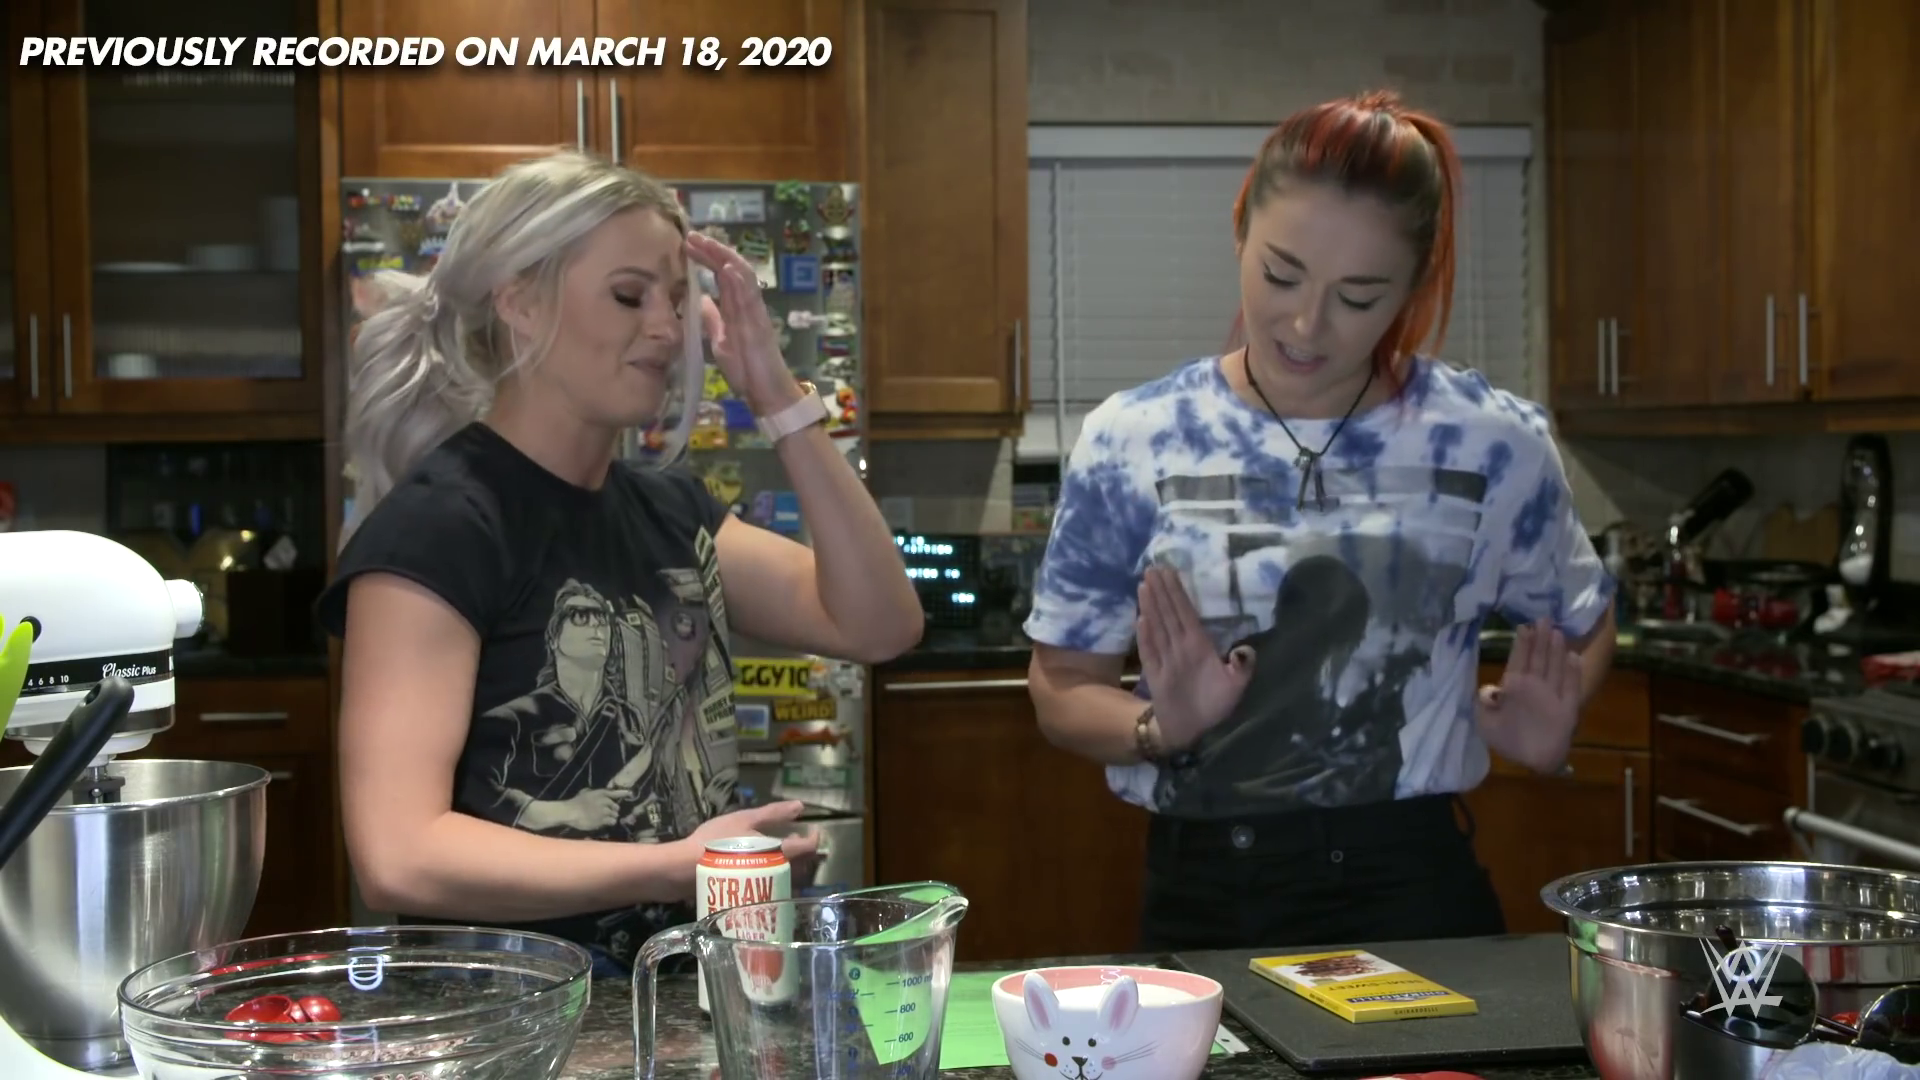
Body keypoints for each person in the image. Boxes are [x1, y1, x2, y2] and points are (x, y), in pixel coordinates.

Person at [1023, 91, 1616, 952]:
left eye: (1359, 296)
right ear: (1240, 232)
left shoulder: (1494, 442)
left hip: (1412, 888)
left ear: (1414, 284)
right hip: (1209, 893)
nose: (1307, 324)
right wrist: (1159, 729)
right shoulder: (1135, 437)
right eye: (1281, 275)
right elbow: (1060, 688)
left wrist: (1546, 726)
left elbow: (1585, 624)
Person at [316, 151, 924, 974]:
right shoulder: (442, 528)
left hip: (680, 1000)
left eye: (676, 300)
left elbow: (881, 624)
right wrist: (678, 868)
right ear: (520, 302)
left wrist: (779, 399)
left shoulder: (671, 513)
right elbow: (401, 855)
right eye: (630, 296)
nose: (668, 330)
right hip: (521, 1016)